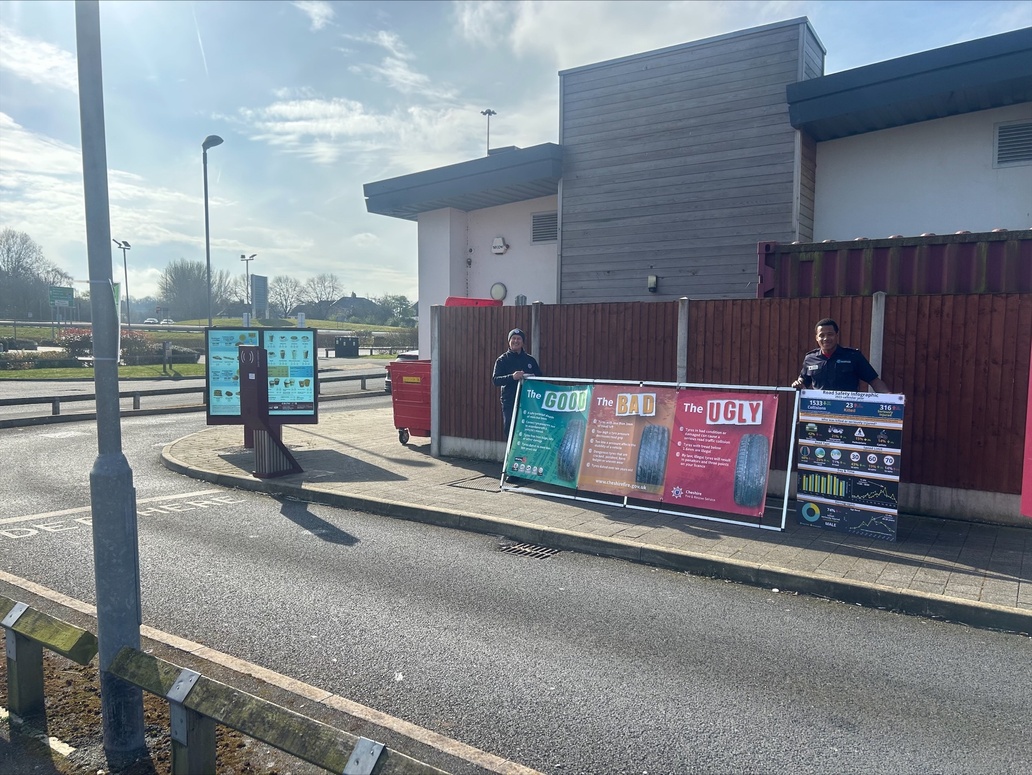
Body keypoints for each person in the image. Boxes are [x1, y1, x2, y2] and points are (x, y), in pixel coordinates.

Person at [792, 318, 890, 393]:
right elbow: (803, 380)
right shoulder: (810, 358)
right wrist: (798, 383)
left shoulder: (853, 356)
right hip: (820, 413)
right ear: (816, 338)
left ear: (836, 336)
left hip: (846, 413)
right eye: (822, 335)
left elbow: (874, 381)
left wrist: (889, 397)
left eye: (830, 334)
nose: (826, 338)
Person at [492, 328, 541, 434]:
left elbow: (540, 377)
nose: (516, 341)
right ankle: (510, 450)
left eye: (519, 339)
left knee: (527, 430)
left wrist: (533, 377)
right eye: (513, 338)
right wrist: (512, 377)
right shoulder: (502, 360)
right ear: (509, 341)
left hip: (528, 401)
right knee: (510, 428)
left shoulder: (530, 360)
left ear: (522, 342)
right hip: (509, 401)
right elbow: (495, 380)